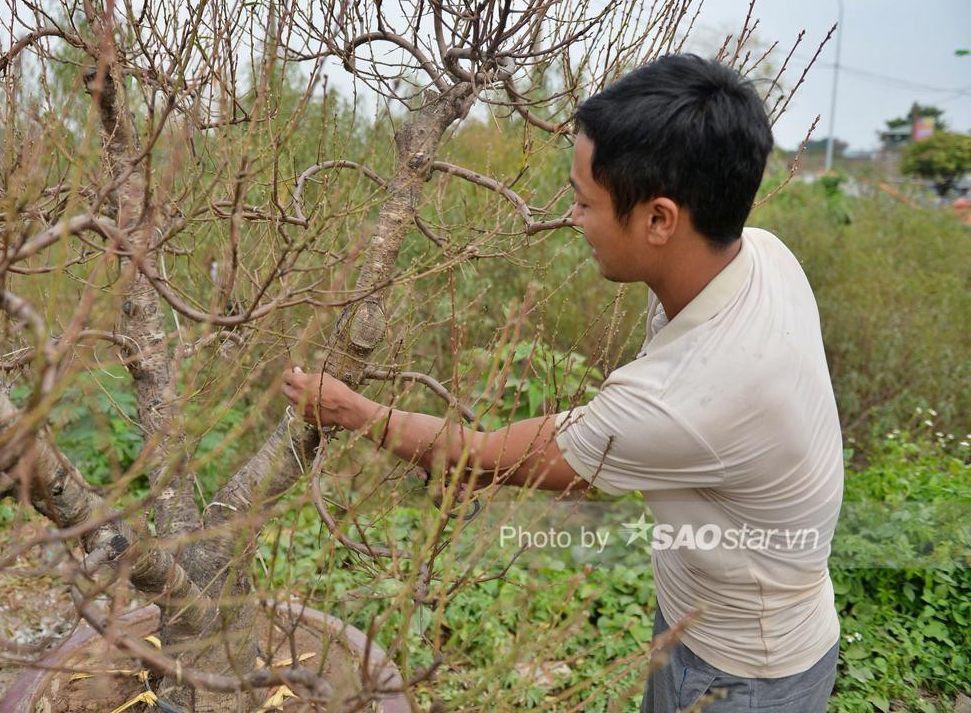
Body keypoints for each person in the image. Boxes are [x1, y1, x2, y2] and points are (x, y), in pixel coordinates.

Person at [280, 54, 843, 712]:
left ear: (660, 219)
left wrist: (349, 409)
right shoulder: (761, 252)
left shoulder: (682, 399)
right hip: (745, 617)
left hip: (740, 673)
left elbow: (485, 456)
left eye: (585, 201)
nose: (573, 218)